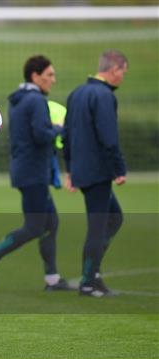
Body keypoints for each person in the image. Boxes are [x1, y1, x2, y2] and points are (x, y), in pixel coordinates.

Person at [0, 55, 72, 293]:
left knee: (51, 222)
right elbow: (40, 134)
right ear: (35, 76)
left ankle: (52, 279)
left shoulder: (19, 99)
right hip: (33, 172)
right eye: (49, 75)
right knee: (35, 226)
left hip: (26, 170)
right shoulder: (35, 100)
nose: (53, 80)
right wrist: (59, 129)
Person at [63, 50, 127, 297]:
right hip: (98, 172)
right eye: (123, 72)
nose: (122, 77)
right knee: (98, 226)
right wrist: (119, 168)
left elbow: (66, 136)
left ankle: (94, 274)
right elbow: (109, 138)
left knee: (114, 217)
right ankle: (88, 282)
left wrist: (70, 169)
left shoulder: (77, 93)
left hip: (83, 171)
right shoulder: (104, 95)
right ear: (114, 69)